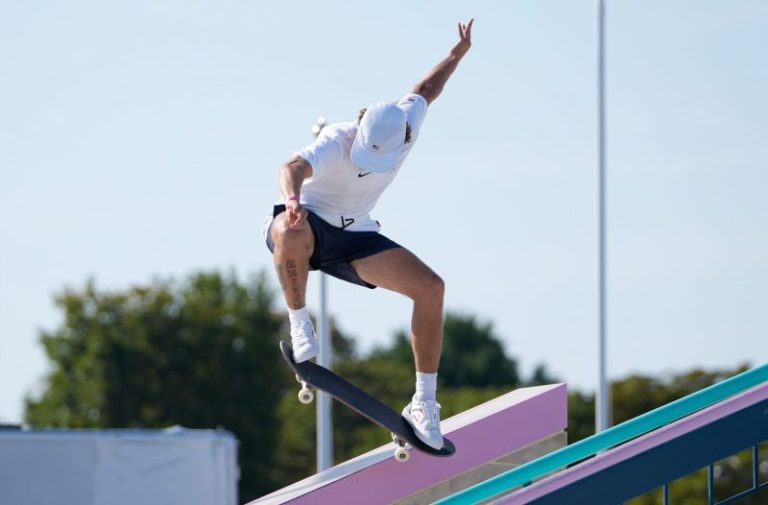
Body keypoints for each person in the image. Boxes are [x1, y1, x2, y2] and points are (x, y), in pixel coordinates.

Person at [262, 19, 474, 450]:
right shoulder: (337, 139)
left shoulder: (408, 122)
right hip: (310, 225)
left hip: (356, 234)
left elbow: (427, 88)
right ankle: (301, 324)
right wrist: (293, 199)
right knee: (288, 228)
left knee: (431, 288)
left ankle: (424, 403)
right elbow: (292, 167)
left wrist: (456, 54)